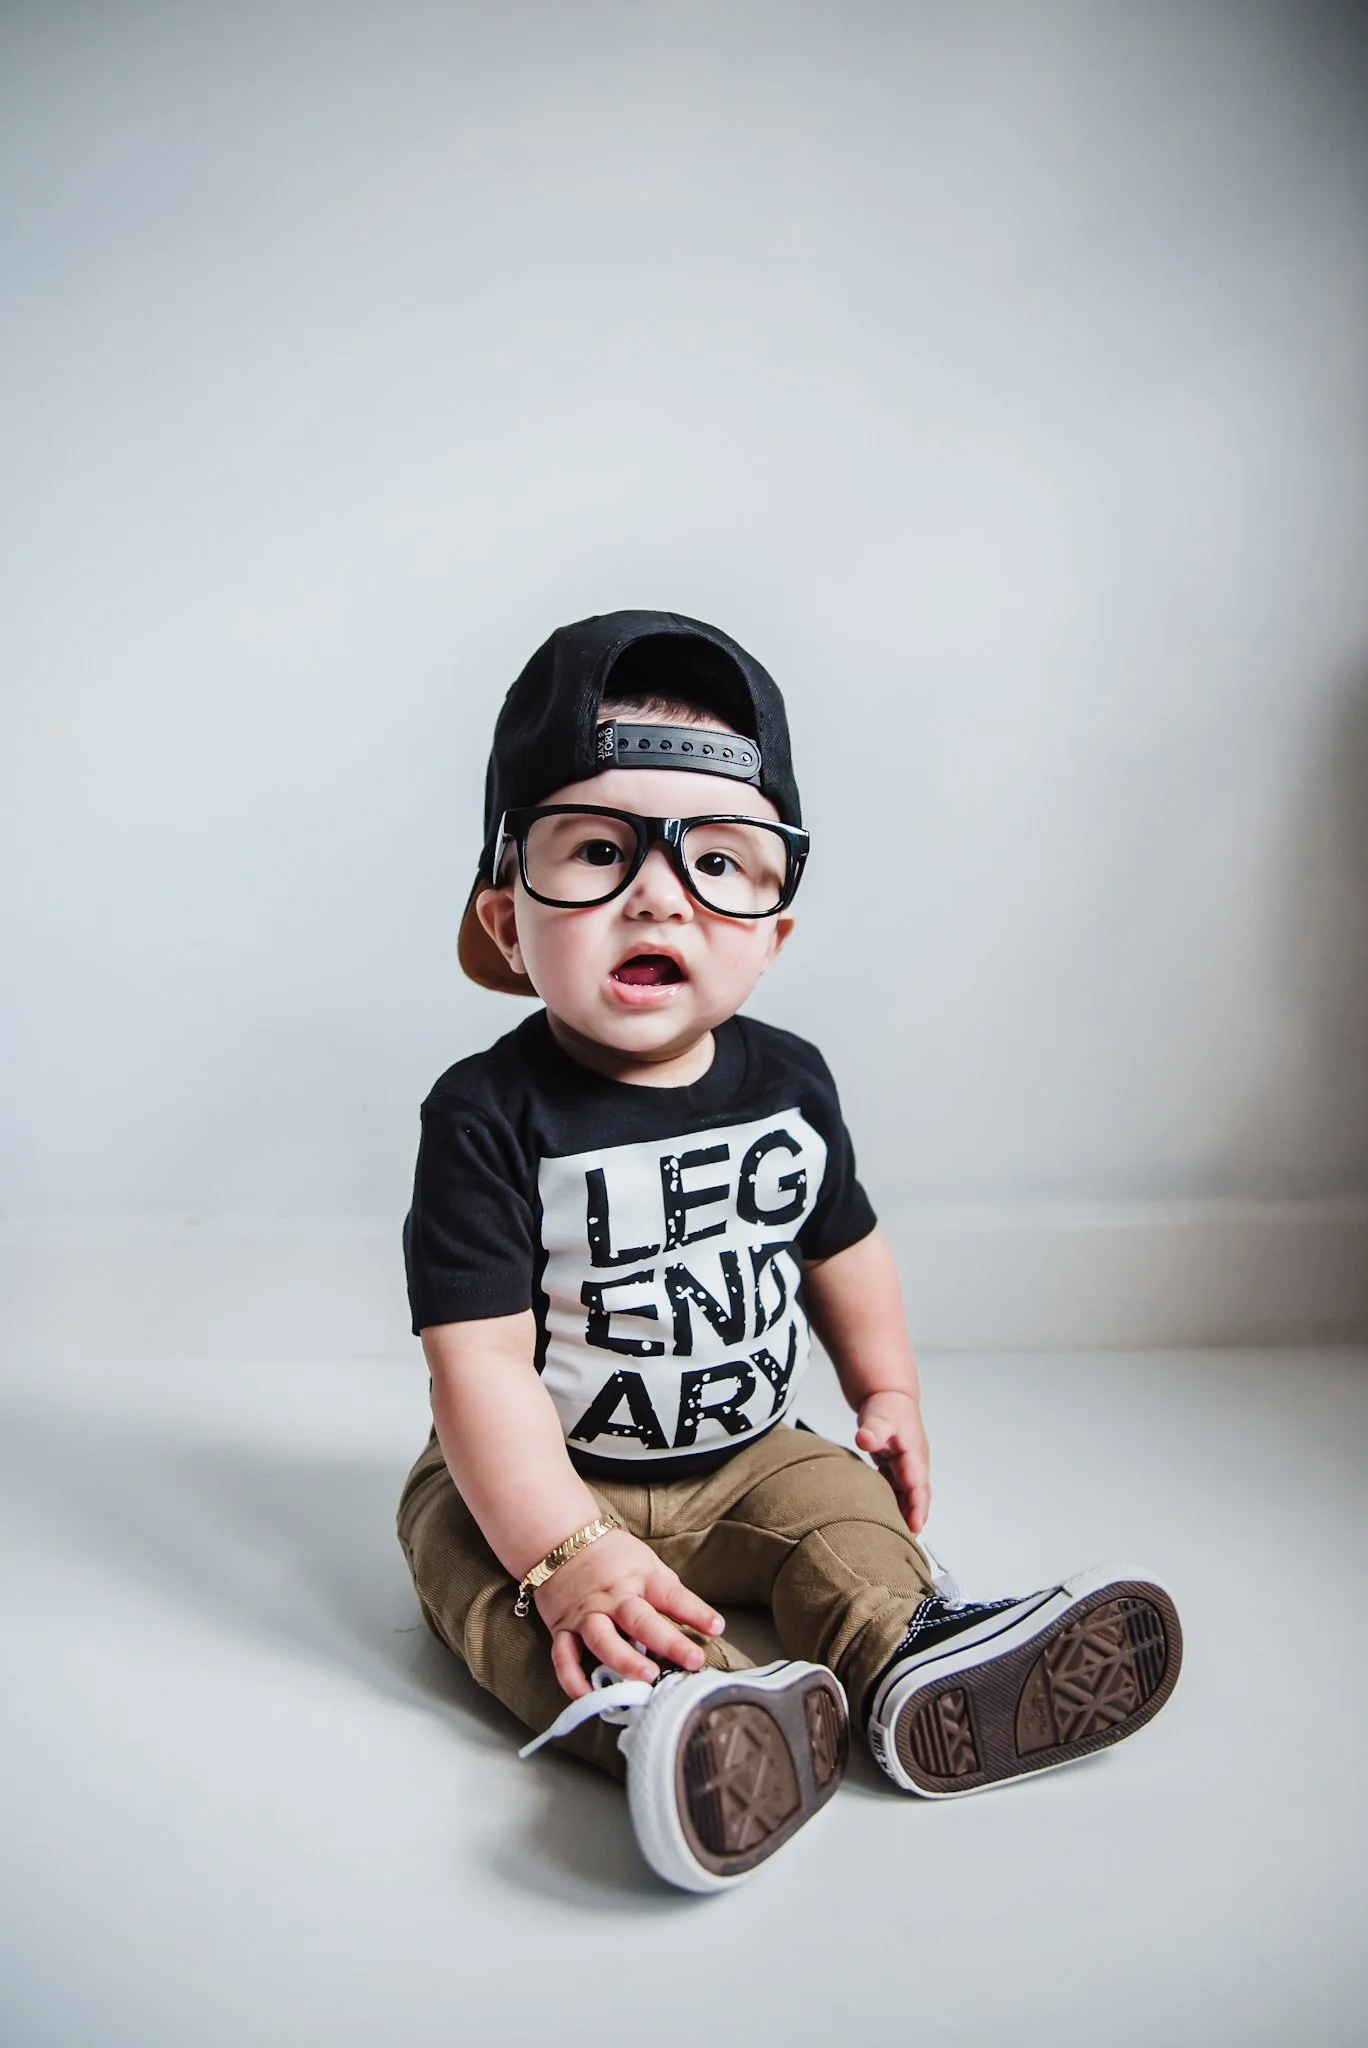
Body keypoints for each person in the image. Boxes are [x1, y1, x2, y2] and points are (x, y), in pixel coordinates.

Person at [397, 610, 1182, 1893]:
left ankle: (914, 1654)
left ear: (774, 933)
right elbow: (475, 1364)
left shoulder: (790, 1085)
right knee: (475, 1568)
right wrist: (565, 1548)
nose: (659, 893)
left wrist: (888, 1389)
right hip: (544, 1469)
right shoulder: (487, 1113)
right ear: (506, 919)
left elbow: (844, 1249)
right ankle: (671, 1715)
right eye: (596, 850)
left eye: (718, 859)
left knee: (843, 1512)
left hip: (751, 1452)